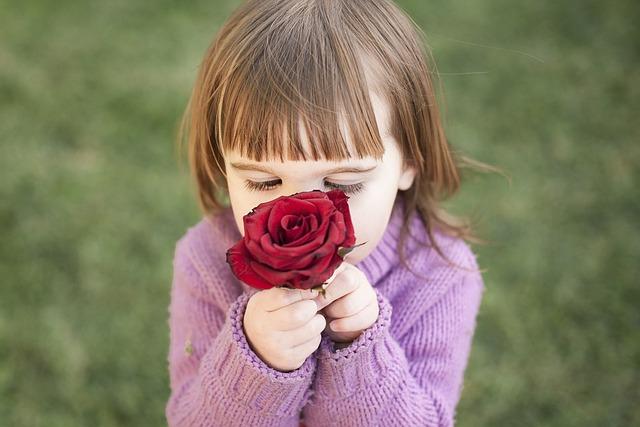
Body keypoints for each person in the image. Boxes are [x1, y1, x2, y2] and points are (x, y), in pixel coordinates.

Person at [166, 0, 497, 425]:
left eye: (342, 185)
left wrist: (359, 350)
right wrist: (255, 357)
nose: (300, 210)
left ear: (410, 161)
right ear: (222, 165)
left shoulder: (439, 273)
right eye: (264, 182)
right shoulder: (207, 259)